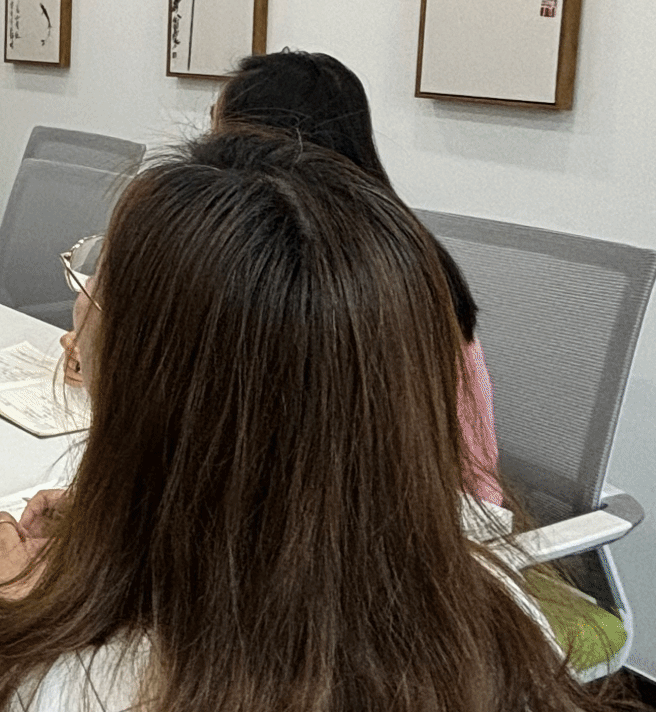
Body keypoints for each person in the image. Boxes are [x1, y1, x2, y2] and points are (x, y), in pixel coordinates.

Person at [0, 130, 624, 712]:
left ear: (152, 386)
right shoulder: (500, 621)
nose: (82, 303)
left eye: (100, 282)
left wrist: (6, 615)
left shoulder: (79, 683)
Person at [212, 48, 502, 504]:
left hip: (398, 516)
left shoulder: (305, 280)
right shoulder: (404, 248)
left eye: (216, 127)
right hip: (421, 506)